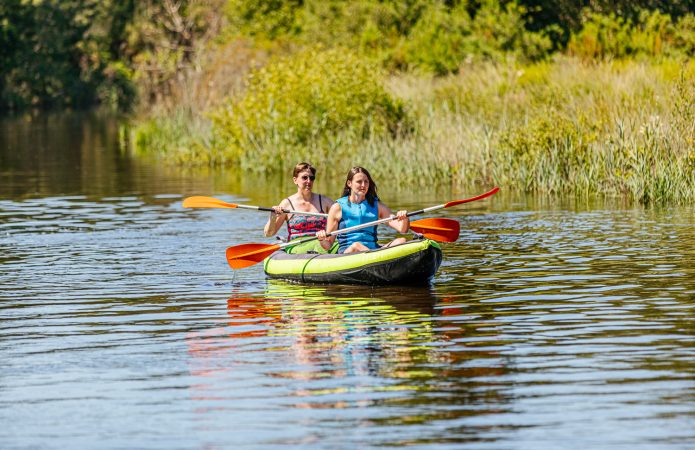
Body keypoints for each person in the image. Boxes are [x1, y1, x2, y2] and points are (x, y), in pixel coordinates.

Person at [317, 166, 409, 254]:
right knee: (356, 246)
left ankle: (376, 259)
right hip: (348, 252)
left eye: (366, 182)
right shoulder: (337, 207)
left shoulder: (377, 206)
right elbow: (328, 245)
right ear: (349, 183)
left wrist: (404, 218)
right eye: (359, 182)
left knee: (401, 241)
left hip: (373, 250)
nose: (363, 185)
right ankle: (377, 260)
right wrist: (322, 239)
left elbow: (402, 229)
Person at [264, 162, 336, 254]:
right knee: (317, 247)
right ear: (295, 180)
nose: (309, 181)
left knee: (332, 245)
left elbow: (341, 215)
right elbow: (268, 233)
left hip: (321, 242)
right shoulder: (287, 204)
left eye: (312, 178)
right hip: (297, 245)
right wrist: (273, 216)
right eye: (304, 177)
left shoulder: (324, 201)